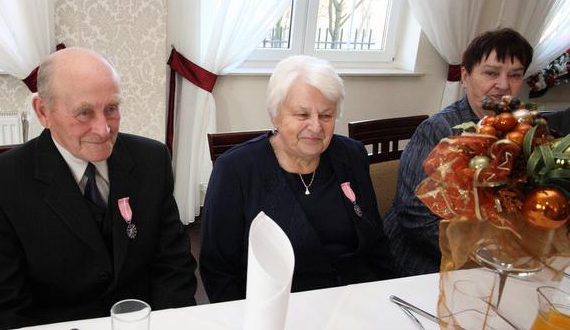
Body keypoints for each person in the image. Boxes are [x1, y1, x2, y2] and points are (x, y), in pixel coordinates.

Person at [0, 47, 197, 330]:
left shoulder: (152, 161)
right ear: (43, 111)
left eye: (111, 108)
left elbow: (174, 267)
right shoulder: (0, 182)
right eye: (84, 113)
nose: (103, 129)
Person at [199, 55, 398, 303]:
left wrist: (389, 297)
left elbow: (376, 242)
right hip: (278, 308)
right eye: (302, 115)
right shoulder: (235, 169)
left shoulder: (351, 155)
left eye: (326, 116)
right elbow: (218, 270)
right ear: (275, 116)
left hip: (355, 300)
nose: (316, 127)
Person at [383, 28, 533, 276]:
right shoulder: (438, 130)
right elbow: (414, 215)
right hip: (425, 257)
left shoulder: (525, 132)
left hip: (497, 256)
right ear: (465, 76)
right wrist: (479, 255)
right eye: (491, 73)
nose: (504, 85)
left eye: (515, 75)